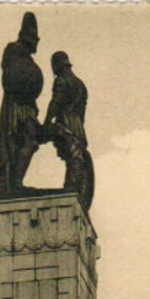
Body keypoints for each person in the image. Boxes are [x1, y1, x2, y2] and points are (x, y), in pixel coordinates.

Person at [0, 12, 43, 193]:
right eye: (35, 39)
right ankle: (14, 183)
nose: (37, 44)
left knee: (30, 142)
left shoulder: (26, 57)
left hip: (28, 105)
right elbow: (10, 77)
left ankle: (16, 182)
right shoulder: (14, 50)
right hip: (16, 105)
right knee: (19, 142)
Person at [43, 51, 94, 211]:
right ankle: (73, 186)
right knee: (75, 155)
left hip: (65, 121)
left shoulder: (61, 80)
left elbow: (55, 102)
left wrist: (47, 121)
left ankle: (71, 187)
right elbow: (82, 112)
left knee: (72, 156)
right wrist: (78, 125)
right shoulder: (81, 85)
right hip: (77, 124)